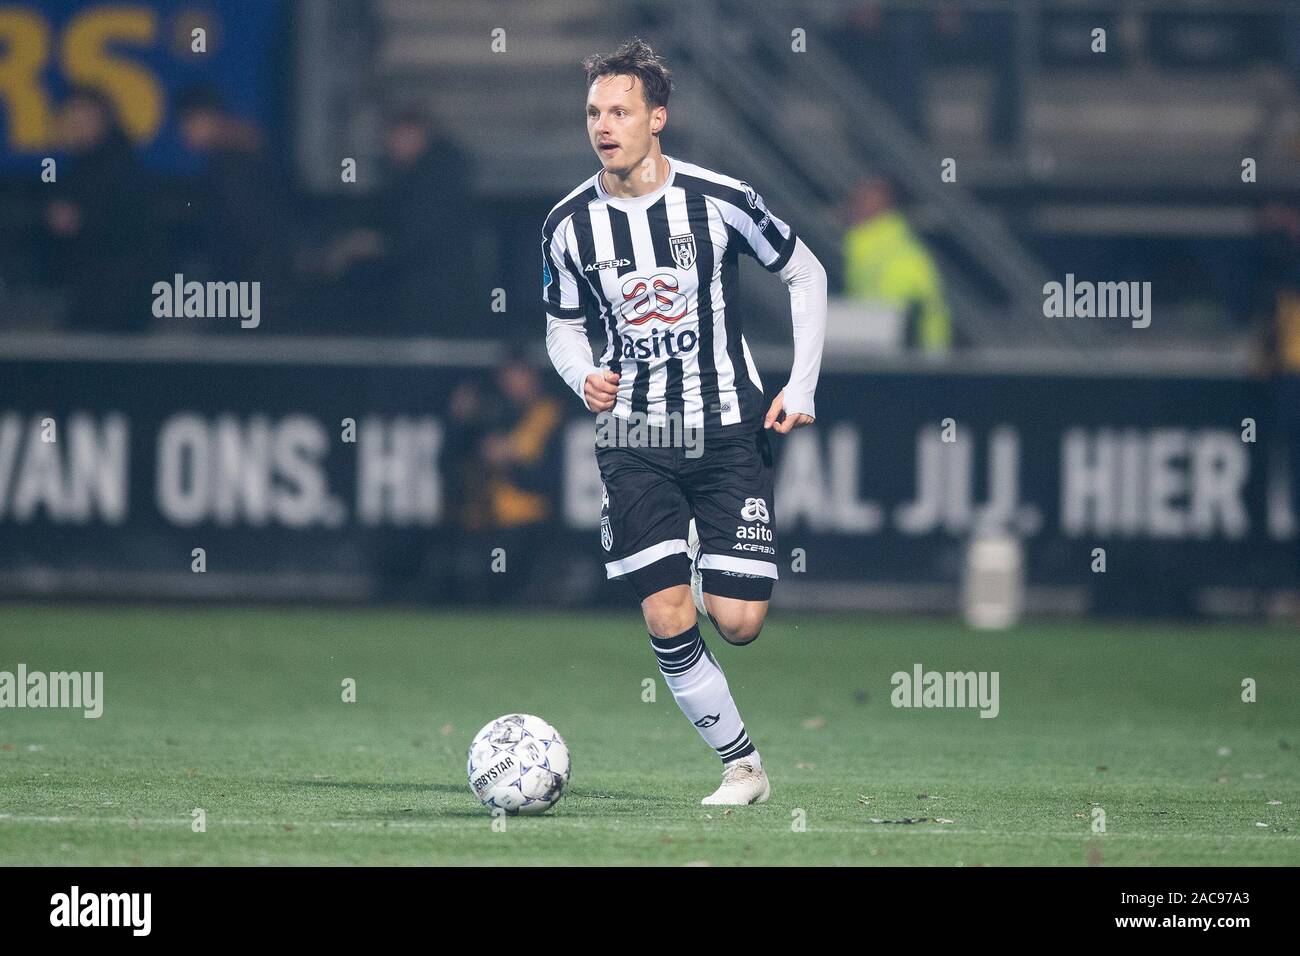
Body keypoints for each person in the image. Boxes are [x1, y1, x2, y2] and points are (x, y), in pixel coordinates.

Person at [542, 39, 827, 805]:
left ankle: (701, 549)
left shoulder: (720, 198)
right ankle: (743, 768)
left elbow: (806, 270)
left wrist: (800, 383)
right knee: (667, 610)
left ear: (657, 118)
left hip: (728, 428)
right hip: (635, 436)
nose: (604, 125)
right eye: (595, 112)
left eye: (621, 111)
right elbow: (561, 326)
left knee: (738, 621)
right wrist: (582, 375)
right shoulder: (569, 225)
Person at [843, 176, 952, 353]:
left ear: (886, 206)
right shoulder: (859, 247)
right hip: (866, 350)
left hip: (896, 355)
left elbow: (933, 311)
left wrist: (935, 362)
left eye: (865, 200)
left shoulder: (906, 252)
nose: (856, 206)